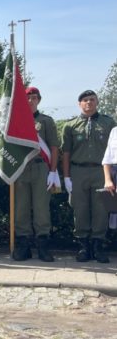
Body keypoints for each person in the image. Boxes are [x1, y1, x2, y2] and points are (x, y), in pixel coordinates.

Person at [63, 90, 115, 263]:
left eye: (92, 99)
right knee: (80, 209)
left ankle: (98, 246)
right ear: (79, 104)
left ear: (97, 102)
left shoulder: (109, 123)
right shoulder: (70, 125)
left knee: (101, 209)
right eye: (85, 100)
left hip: (102, 172)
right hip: (78, 171)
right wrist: (67, 177)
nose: (89, 103)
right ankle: (83, 246)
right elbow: (66, 153)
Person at [12, 87, 60, 262]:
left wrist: (53, 172)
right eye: (28, 98)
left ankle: (43, 246)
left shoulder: (46, 121)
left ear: (39, 100)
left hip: (41, 169)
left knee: (42, 209)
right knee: (20, 209)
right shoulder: (15, 121)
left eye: (34, 97)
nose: (31, 100)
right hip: (21, 169)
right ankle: (24, 246)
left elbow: (54, 147)